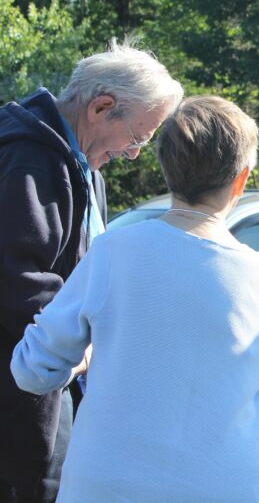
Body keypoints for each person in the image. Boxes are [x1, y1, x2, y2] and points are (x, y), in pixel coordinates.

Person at [10, 96, 259, 502]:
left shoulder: (112, 252)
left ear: (167, 170)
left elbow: (32, 368)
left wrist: (85, 357)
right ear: (241, 180)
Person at [0, 37, 183, 502]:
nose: (137, 153)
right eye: (139, 137)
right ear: (101, 107)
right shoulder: (29, 157)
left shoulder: (84, 166)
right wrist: (86, 336)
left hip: (47, 385)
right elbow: (18, 277)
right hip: (20, 393)